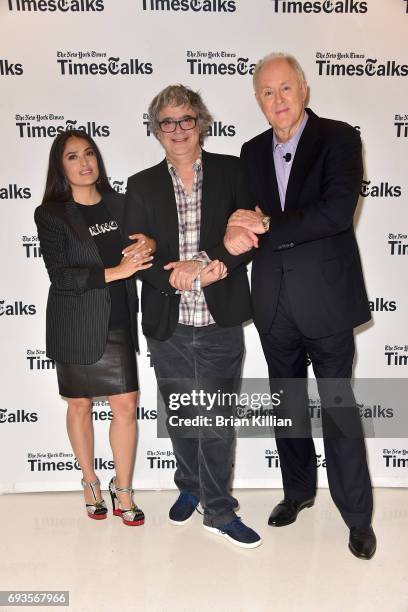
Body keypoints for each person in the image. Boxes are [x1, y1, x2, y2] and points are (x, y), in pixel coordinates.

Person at [224, 53, 376, 559]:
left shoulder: (338, 138)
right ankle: (298, 493)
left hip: (327, 301)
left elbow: (335, 213)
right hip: (273, 303)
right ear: (258, 102)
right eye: (267, 93)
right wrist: (234, 229)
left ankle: (357, 516)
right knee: (287, 406)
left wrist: (269, 225)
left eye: (285, 89)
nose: (278, 100)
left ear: (303, 89)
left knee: (338, 410)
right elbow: (240, 218)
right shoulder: (248, 152)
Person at [123, 84, 262, 548]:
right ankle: (190, 486)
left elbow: (246, 237)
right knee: (182, 416)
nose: (178, 129)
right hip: (169, 321)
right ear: (156, 129)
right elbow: (138, 253)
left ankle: (219, 510)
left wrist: (204, 264)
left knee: (217, 420)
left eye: (186, 119)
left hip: (220, 317)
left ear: (200, 122)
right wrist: (174, 278)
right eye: (167, 122)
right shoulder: (140, 185)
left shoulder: (233, 171)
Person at [35, 129, 154, 525]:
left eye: (89, 153)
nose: (84, 162)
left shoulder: (122, 204)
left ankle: (123, 490)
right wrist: (117, 271)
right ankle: (89, 482)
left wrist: (148, 245)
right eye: (72, 156)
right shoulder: (51, 213)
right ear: (60, 166)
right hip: (75, 320)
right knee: (80, 404)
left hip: (118, 315)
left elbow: (146, 243)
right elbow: (61, 276)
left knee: (126, 404)